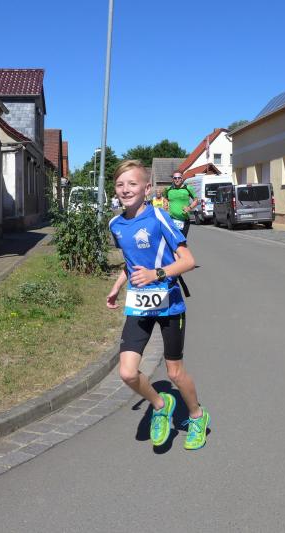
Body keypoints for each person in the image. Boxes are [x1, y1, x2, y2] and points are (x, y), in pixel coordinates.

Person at [106, 160, 210, 450]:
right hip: (139, 305)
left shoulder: (158, 217)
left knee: (174, 372)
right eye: (120, 184)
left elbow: (188, 261)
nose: (126, 189)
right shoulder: (115, 224)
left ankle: (197, 415)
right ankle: (161, 405)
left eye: (133, 183)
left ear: (147, 188)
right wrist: (117, 287)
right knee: (127, 372)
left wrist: (157, 274)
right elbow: (131, 263)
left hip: (169, 304)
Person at [164, 171, 198, 239]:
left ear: (182, 179)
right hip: (171, 219)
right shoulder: (168, 189)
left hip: (184, 220)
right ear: (173, 179)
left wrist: (189, 208)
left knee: (182, 240)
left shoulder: (188, 188)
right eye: (175, 178)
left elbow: (196, 200)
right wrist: (165, 205)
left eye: (179, 178)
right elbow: (165, 198)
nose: (177, 180)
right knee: (173, 240)